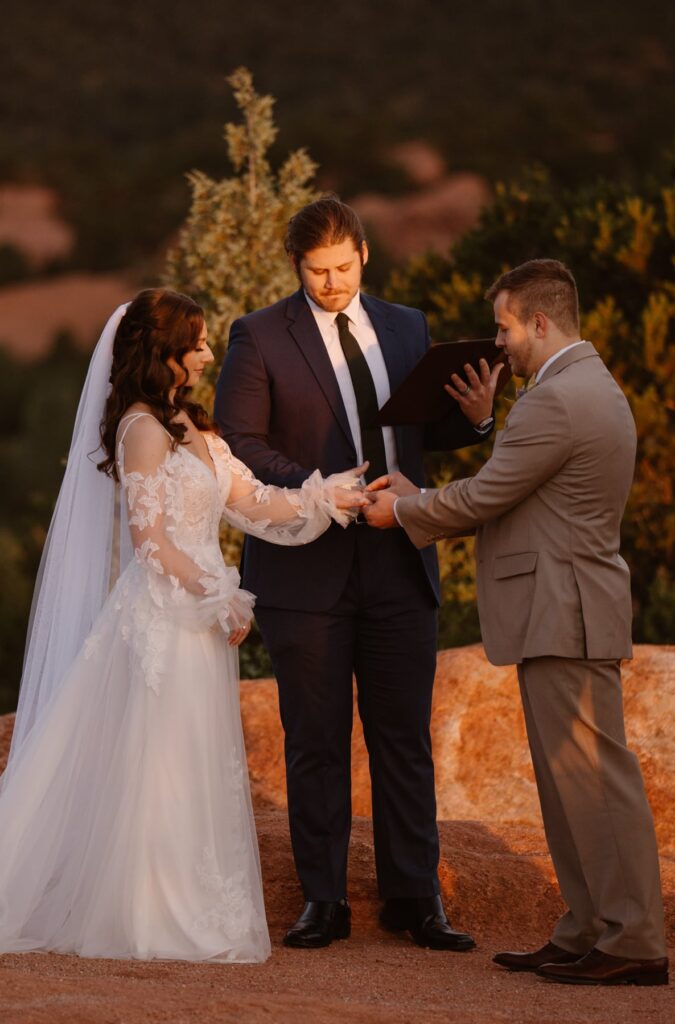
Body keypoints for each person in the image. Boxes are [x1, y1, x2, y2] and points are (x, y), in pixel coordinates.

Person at [0, 288, 367, 964]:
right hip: (162, 619)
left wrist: (324, 497)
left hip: (198, 619)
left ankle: (193, 903)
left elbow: (252, 502)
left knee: (194, 761)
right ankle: (144, 914)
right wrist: (219, 593)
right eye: (194, 342)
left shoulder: (191, 426)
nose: (205, 353)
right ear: (162, 351)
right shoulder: (139, 429)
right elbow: (151, 542)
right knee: (158, 765)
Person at [364, 258, 669, 986]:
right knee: (574, 782)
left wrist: (402, 510)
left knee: (594, 779)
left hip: (561, 610)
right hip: (569, 607)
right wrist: (426, 492)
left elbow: (485, 498)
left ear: (538, 321)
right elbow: (514, 499)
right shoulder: (587, 387)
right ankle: (587, 927)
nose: (495, 343)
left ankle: (630, 939)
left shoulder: (553, 400)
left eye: (502, 326)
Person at [215, 195, 498, 950]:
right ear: (295, 265)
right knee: (314, 741)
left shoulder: (407, 326)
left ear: (364, 254)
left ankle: (415, 901)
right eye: (315, 272)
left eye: (341, 268)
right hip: (303, 572)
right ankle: (323, 901)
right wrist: (318, 490)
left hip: (400, 562)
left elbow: (423, 433)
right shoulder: (258, 334)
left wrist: (474, 418)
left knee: (403, 738)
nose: (329, 283)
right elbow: (238, 441)